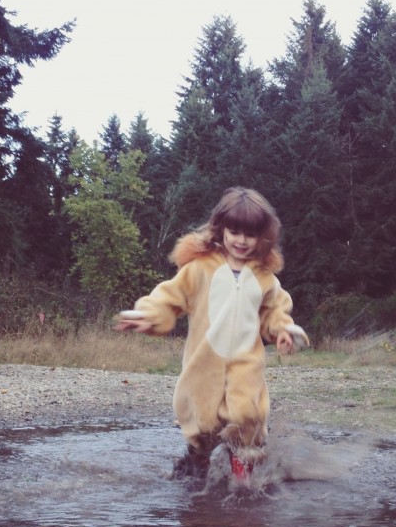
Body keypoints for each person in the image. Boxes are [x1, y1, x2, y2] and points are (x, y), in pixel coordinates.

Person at [114, 187, 308, 484]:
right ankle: (195, 467)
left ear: (263, 237)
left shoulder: (265, 278)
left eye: (251, 234)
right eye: (235, 231)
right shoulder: (200, 269)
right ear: (221, 229)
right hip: (204, 365)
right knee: (203, 427)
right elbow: (169, 298)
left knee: (247, 422)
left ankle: (245, 486)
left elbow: (275, 313)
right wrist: (149, 315)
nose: (241, 240)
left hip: (246, 368)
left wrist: (284, 331)